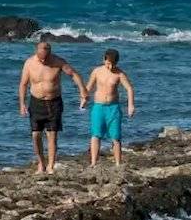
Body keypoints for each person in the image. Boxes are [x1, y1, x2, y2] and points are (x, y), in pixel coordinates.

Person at [18, 36, 87, 174]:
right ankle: (41, 163)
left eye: (46, 58)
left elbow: (73, 74)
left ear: (50, 53)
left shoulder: (58, 62)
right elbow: (23, 84)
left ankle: (50, 165)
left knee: (52, 135)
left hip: (54, 102)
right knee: (36, 135)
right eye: (41, 58)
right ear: (36, 52)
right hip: (36, 102)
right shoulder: (29, 63)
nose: (44, 61)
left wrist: (83, 91)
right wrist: (22, 104)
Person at [83, 48, 136, 168]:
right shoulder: (97, 71)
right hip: (98, 107)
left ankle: (118, 163)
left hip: (113, 108)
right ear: (104, 59)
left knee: (116, 136)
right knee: (96, 135)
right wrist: (84, 99)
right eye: (108, 63)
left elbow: (129, 88)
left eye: (113, 64)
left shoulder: (120, 74)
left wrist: (131, 105)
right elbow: (88, 87)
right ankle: (93, 163)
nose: (110, 66)